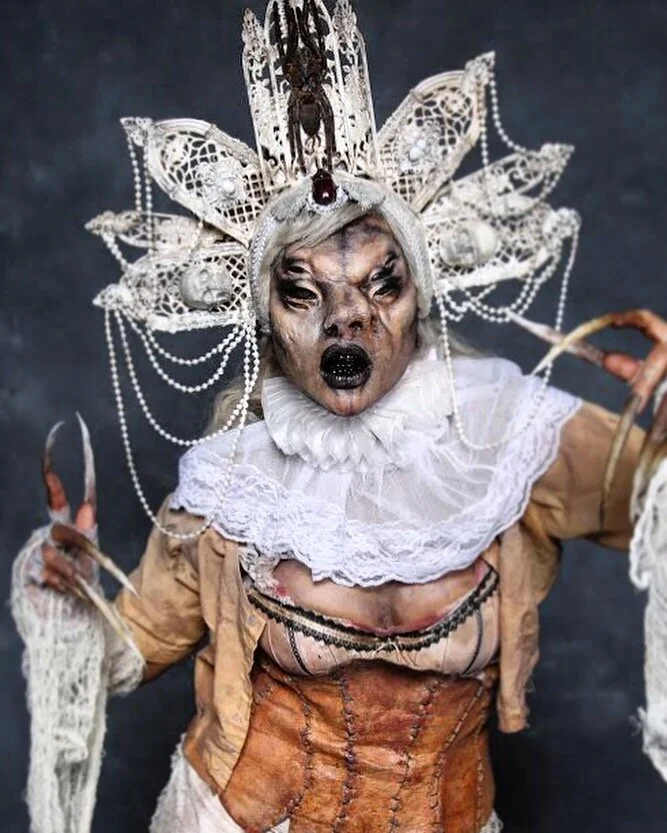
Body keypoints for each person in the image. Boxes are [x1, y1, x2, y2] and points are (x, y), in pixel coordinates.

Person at [11, 2, 667, 832]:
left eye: (379, 283)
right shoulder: (230, 492)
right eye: (303, 291)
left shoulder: (512, 437)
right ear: (265, 319)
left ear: (420, 295)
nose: (346, 317)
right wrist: (68, 603)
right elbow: (129, 648)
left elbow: (656, 510)